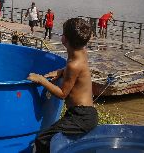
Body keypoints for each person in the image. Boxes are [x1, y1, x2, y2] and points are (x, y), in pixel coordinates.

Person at [27, 18, 97, 153]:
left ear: (64, 39)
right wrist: (61, 71)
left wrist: (41, 80)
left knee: (42, 140)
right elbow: (78, 70)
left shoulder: (73, 64)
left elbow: (62, 94)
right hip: (85, 114)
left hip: (81, 116)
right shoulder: (82, 53)